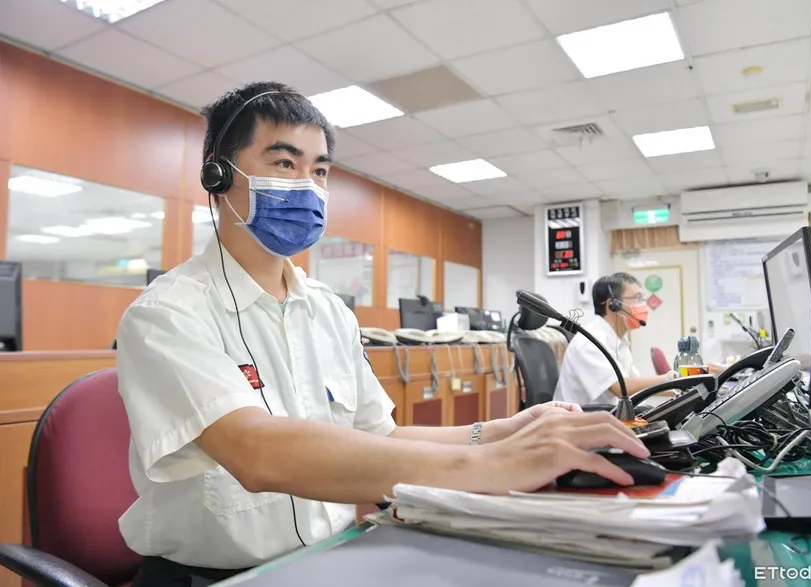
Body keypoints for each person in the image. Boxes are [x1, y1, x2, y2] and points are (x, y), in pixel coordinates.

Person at [116, 82, 649, 586]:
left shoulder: (327, 311)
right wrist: (486, 465)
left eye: (319, 171)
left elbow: (382, 437)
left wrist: (501, 431)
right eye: (284, 163)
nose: (307, 185)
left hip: (327, 560)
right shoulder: (167, 315)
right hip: (214, 579)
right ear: (218, 175)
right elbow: (257, 453)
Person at [554, 272, 723, 408]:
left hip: (607, 417)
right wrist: (678, 377)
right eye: (637, 299)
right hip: (583, 423)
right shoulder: (590, 340)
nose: (643, 305)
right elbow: (622, 388)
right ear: (613, 304)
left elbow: (638, 386)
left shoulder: (619, 340)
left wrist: (690, 385)